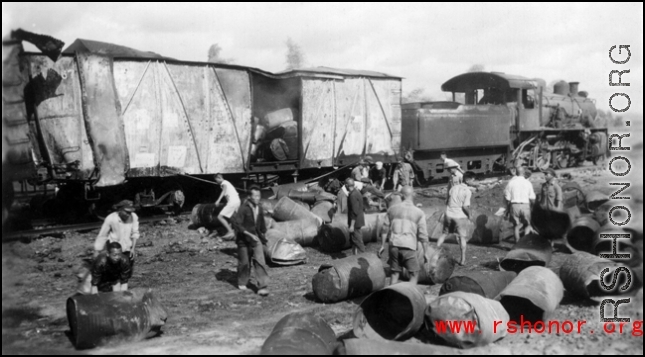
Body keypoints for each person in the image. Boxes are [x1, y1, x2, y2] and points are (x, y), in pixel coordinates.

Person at [378, 186, 429, 285]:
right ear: (413, 195)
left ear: (401, 196)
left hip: (394, 245)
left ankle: (391, 297)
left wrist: (382, 246)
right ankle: (408, 296)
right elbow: (423, 235)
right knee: (414, 274)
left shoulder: (392, 209)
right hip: (408, 246)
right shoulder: (419, 212)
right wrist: (425, 252)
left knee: (394, 273)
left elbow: (384, 229)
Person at [233, 185, 270, 296]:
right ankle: (242, 281)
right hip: (243, 240)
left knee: (260, 261)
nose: (258, 198)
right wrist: (249, 234)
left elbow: (261, 224)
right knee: (244, 262)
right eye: (255, 196)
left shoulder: (259, 208)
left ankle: (262, 286)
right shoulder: (243, 208)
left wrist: (263, 235)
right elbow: (237, 224)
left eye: (259, 196)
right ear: (249, 196)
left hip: (255, 239)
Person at [93, 200, 139, 274]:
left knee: (126, 273)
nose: (128, 214)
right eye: (126, 212)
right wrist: (97, 250)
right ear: (120, 210)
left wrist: (133, 249)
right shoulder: (111, 218)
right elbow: (103, 235)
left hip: (127, 249)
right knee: (114, 273)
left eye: (130, 212)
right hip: (114, 251)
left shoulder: (133, 216)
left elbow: (135, 233)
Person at [437, 176, 473, 266]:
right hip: (459, 216)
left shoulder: (453, 188)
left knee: (444, 234)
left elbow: (447, 201)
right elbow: (465, 207)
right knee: (462, 237)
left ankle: (435, 254)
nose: (474, 182)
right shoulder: (467, 191)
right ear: (468, 180)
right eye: (473, 180)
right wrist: (469, 215)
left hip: (449, 214)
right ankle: (463, 260)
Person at [503, 166, 536, 243]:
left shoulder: (511, 183)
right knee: (528, 224)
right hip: (525, 205)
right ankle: (525, 240)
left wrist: (507, 209)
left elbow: (507, 198)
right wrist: (534, 207)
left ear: (516, 172)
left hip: (514, 206)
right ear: (524, 173)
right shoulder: (528, 183)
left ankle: (517, 242)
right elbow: (532, 198)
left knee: (516, 226)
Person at [214, 173, 241, 240]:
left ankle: (230, 231)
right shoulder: (227, 182)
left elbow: (224, 191)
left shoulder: (224, 183)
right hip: (237, 201)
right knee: (233, 218)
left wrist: (218, 200)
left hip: (232, 202)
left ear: (219, 177)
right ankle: (237, 234)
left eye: (216, 180)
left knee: (219, 217)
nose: (216, 182)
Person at [345, 178, 366, 255]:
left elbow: (354, 211)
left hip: (355, 222)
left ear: (347, 185)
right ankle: (355, 257)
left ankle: (364, 257)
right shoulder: (356, 192)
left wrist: (352, 226)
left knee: (358, 241)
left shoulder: (353, 195)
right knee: (353, 240)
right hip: (358, 220)